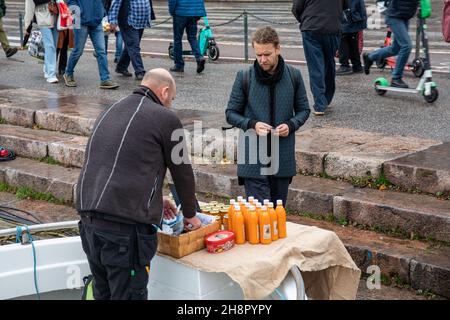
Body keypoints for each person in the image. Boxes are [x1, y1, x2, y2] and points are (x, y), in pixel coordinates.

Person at [76, 68, 202, 300]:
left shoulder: (110, 110)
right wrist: (191, 214)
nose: (170, 105)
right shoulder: (166, 118)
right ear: (164, 92)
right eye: (171, 99)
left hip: (89, 224)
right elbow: (182, 171)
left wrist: (155, 199)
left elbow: (115, 165)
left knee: (103, 294)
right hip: (124, 232)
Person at [225, 27, 310, 206]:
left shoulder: (294, 75)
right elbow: (231, 113)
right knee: (260, 218)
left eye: (267, 54)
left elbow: (304, 110)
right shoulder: (244, 76)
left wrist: (291, 124)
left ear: (278, 49)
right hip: (253, 160)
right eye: (258, 55)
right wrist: (252, 124)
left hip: (282, 157)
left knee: (277, 217)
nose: (262, 59)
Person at [292, 0, 348, 116]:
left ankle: (320, 104)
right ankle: (327, 98)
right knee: (329, 62)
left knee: (315, 66)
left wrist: (304, 19)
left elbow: (297, 7)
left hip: (311, 27)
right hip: (333, 27)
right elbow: (345, 5)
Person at [363, 0, 419, 88]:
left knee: (395, 49)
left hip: (405, 16)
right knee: (406, 46)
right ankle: (396, 78)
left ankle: (370, 57)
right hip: (394, 15)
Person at [64, 0, 119, 89]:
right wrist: (78, 14)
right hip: (81, 21)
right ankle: (68, 73)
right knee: (78, 51)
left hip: (96, 21)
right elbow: (70, 2)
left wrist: (102, 12)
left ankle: (105, 79)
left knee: (101, 51)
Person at [109, 0, 155, 80]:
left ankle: (121, 67)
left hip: (141, 22)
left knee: (130, 46)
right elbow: (115, 4)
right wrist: (113, 21)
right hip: (128, 22)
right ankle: (140, 71)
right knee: (134, 47)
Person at [24, 0, 59, 83]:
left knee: (53, 45)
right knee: (50, 45)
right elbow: (29, 7)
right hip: (42, 17)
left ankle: (47, 68)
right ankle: (51, 74)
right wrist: (27, 24)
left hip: (56, 16)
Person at [168, 0, 206, 74]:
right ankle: (199, 57)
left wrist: (172, 12)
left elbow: (172, 1)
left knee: (177, 39)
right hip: (194, 13)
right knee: (192, 37)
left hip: (180, 13)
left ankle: (179, 65)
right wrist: (199, 12)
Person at [336, 0, 367, 75]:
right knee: (352, 41)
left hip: (349, 18)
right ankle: (357, 66)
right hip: (355, 17)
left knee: (343, 40)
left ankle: (345, 66)